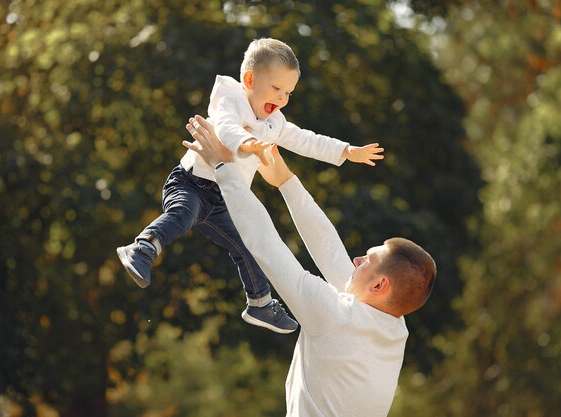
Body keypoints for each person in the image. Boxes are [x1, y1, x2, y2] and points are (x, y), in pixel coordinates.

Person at [117, 37, 383, 334]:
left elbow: (305, 139)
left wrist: (346, 151)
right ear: (249, 79)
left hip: (224, 200)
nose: (282, 99)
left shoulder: (275, 122)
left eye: (288, 93)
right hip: (192, 183)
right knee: (183, 214)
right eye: (276, 89)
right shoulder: (230, 99)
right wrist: (246, 143)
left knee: (249, 246)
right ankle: (142, 249)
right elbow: (226, 126)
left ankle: (260, 303)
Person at [183, 114, 437, 417]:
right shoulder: (393, 326)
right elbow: (329, 251)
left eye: (368, 260)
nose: (356, 260)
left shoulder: (337, 315)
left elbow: (265, 244)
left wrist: (223, 168)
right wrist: (285, 181)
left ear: (380, 285)